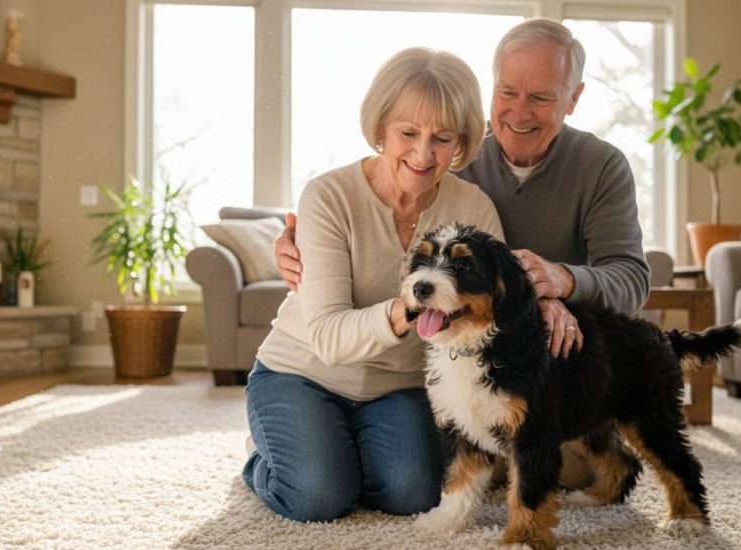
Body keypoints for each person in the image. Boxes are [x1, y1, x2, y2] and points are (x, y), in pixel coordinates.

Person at [276, 18, 650, 359]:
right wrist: (297, 241)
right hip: (462, 346)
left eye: (540, 98)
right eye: (507, 92)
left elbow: (632, 280)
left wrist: (563, 282)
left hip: (553, 342)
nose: (519, 113)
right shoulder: (450, 151)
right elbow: (377, 185)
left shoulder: (600, 165)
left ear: (573, 98)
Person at [244, 47, 505, 522]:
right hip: (301, 373)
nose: (423, 154)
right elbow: (325, 336)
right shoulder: (328, 195)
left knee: (415, 494)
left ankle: (333, 451)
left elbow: (489, 313)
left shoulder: (475, 208)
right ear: (381, 126)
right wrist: (405, 309)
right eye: (408, 132)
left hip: (397, 386)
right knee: (318, 497)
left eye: (442, 138)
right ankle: (267, 457)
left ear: (462, 141)